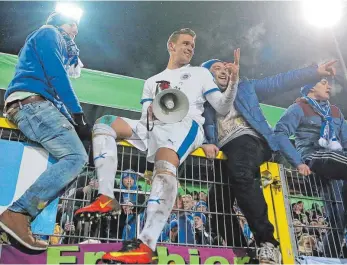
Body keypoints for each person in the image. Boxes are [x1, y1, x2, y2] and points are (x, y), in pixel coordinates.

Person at [76, 28, 239, 264]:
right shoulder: (151, 81)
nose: (189, 48)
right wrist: (151, 111)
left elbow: (222, 107)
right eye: (185, 43)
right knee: (105, 123)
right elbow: (145, 115)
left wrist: (233, 81)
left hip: (185, 125)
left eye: (192, 46)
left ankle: (146, 244)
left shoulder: (200, 74)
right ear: (171, 46)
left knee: (165, 163)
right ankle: (105, 196)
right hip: (153, 125)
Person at [200, 55, 336, 263]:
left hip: (250, 139)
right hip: (224, 151)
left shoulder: (245, 87)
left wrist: (314, 72)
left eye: (226, 68)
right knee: (216, 202)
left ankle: (268, 243)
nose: (223, 71)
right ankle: (243, 252)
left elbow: (280, 82)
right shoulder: (201, 100)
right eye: (216, 68)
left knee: (241, 171)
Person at [0, 9, 89, 251]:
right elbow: (57, 75)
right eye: (72, 26)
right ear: (60, 23)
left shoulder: (46, 41)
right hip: (32, 104)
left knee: (68, 160)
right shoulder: (49, 33)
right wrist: (77, 113)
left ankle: (18, 223)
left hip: (33, 104)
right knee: (76, 157)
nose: (74, 33)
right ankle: (18, 213)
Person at [274, 78, 347, 257]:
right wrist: (298, 162)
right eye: (323, 82)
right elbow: (280, 133)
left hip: (339, 164)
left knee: (338, 219)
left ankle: (331, 258)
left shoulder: (336, 111)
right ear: (311, 86)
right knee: (330, 156)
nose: (329, 86)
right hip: (314, 157)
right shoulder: (298, 108)